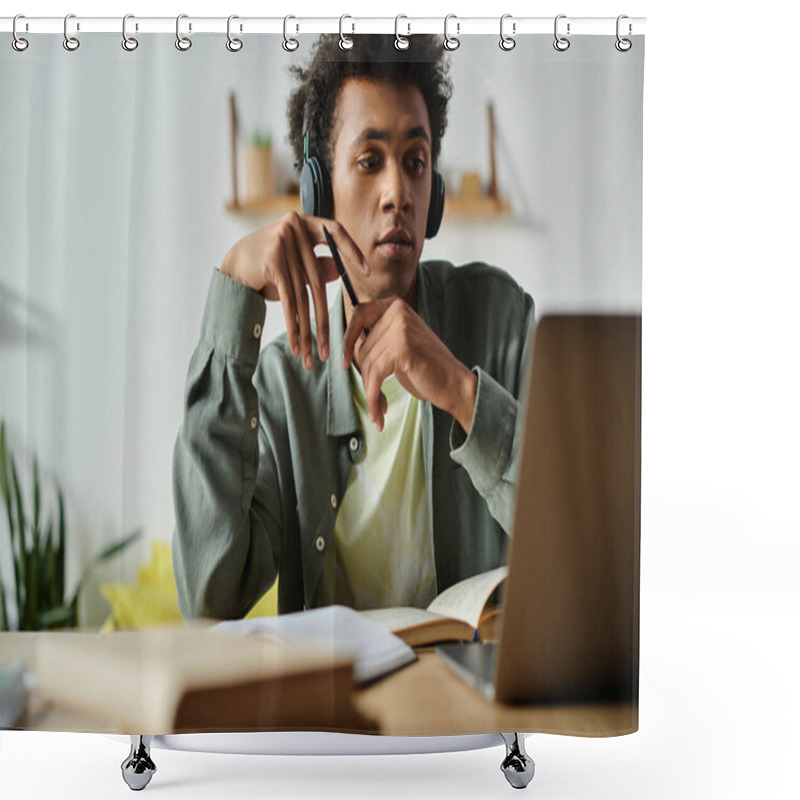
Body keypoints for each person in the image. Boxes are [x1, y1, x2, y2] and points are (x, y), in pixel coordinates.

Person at [173, 34, 534, 620]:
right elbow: (208, 597)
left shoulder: (501, 318)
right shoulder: (285, 383)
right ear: (319, 190)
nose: (398, 194)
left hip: (467, 708)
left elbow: (573, 546)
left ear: (434, 193)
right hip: (334, 713)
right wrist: (233, 291)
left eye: (415, 163)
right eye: (369, 161)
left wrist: (462, 393)